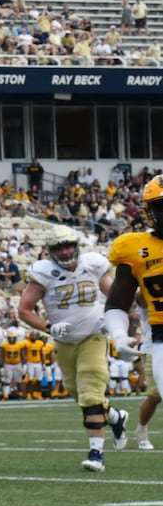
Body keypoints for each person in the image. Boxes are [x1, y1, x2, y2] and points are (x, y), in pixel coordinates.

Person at [18, 226, 128, 470]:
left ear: (76, 246)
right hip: (64, 341)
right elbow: (24, 310)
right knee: (81, 396)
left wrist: (123, 328)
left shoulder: (93, 264)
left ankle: (96, 453)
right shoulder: (43, 273)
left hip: (94, 336)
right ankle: (115, 417)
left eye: (69, 246)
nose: (66, 252)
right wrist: (48, 327)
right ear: (50, 251)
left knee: (90, 392)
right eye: (59, 247)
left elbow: (116, 297)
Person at [104, 177, 163, 448]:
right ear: (149, 211)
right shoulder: (134, 249)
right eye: (161, 206)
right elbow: (117, 302)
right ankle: (141, 431)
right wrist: (118, 334)